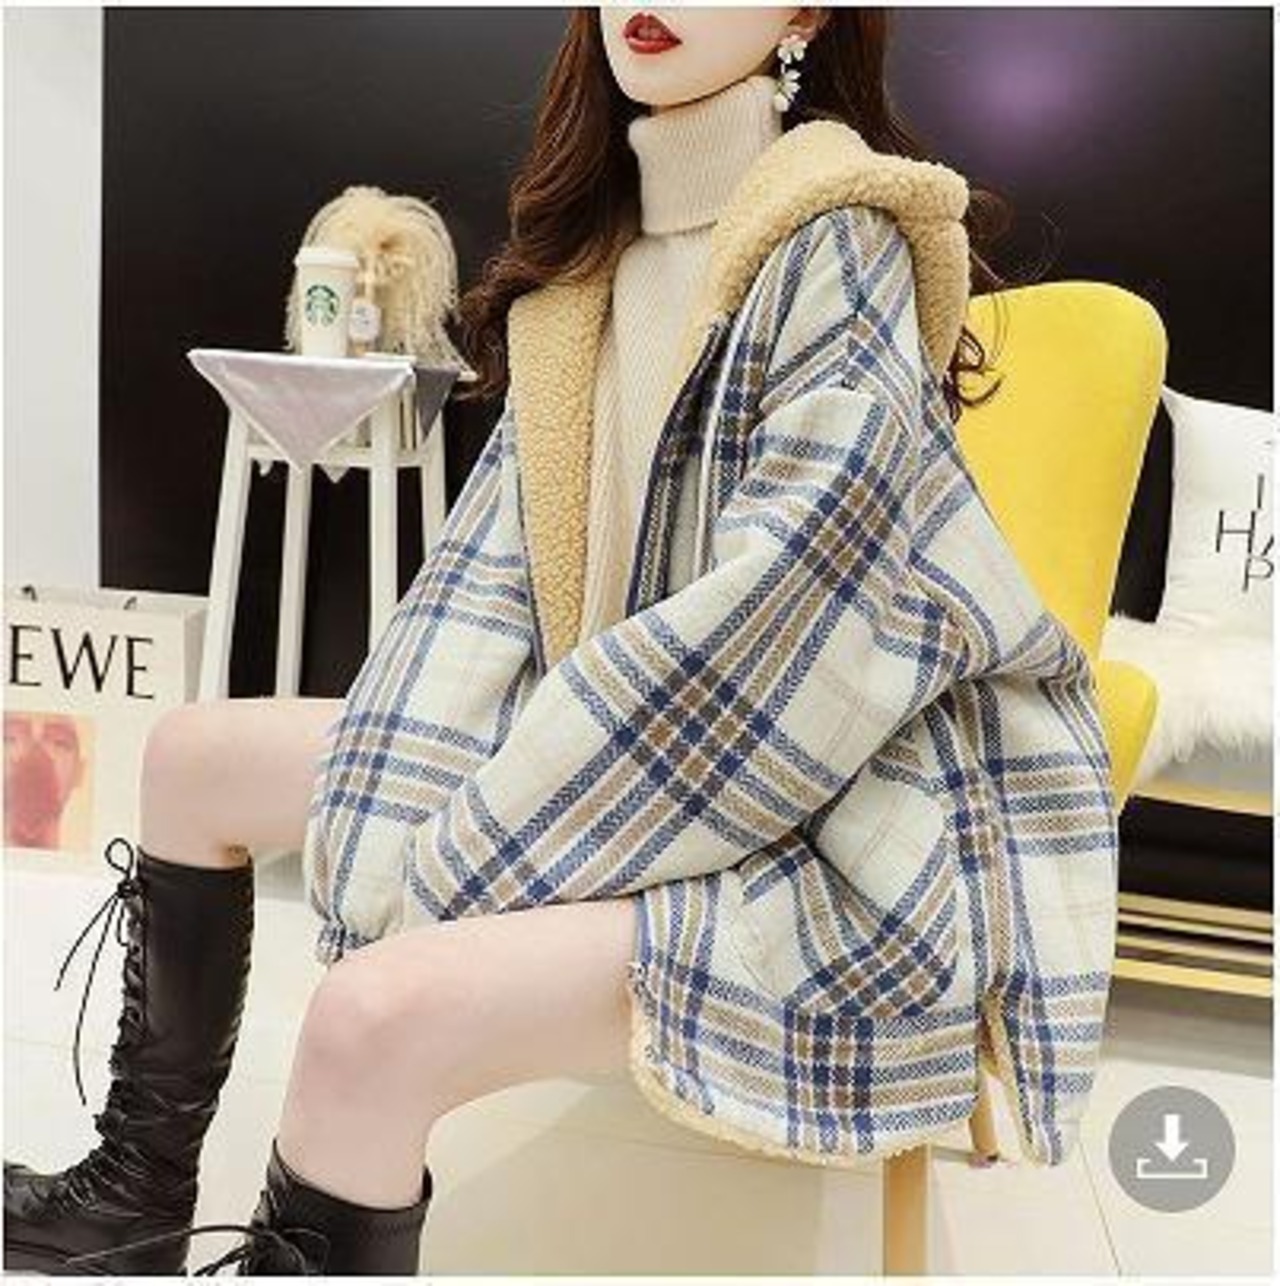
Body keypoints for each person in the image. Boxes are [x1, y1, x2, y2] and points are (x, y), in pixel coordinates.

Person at [6, 5, 1121, 1277]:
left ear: (805, 13)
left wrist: (464, 851)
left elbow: (785, 643)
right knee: (191, 755)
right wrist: (425, 817)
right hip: (614, 762)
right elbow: (477, 606)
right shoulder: (592, 262)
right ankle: (132, 1199)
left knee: (372, 1016)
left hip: (823, 820)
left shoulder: (838, 240)